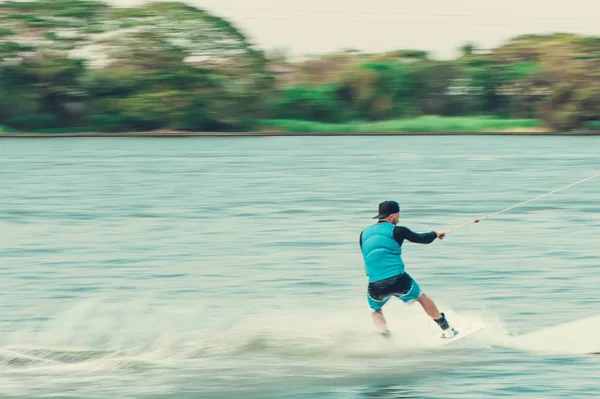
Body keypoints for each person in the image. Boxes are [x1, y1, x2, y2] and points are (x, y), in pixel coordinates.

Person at [359, 200, 458, 339]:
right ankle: (447, 331)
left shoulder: (363, 233)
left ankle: (385, 341)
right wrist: (435, 234)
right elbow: (422, 239)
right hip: (398, 279)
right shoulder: (398, 230)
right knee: (421, 297)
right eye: (398, 216)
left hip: (375, 284)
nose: (398, 220)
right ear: (392, 216)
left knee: (375, 309)